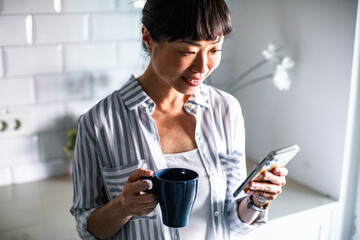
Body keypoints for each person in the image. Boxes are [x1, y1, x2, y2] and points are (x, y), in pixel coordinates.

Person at [70, 0, 288, 239]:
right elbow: (88, 229)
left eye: (215, 50)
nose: (202, 67)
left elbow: (233, 222)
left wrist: (256, 200)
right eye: (188, 52)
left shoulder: (226, 110)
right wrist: (123, 206)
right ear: (148, 37)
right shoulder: (98, 123)